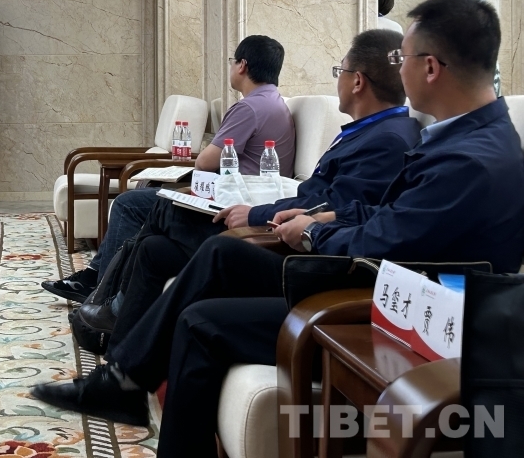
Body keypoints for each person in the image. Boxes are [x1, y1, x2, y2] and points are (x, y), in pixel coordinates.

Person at [31, 0, 524, 457]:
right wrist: (328, 216)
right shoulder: (466, 139)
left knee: (202, 315)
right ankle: (122, 378)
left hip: (395, 310)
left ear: (431, 68)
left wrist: (313, 231)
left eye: (405, 58)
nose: (400, 69)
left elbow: (388, 242)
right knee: (208, 259)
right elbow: (394, 217)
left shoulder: (468, 159)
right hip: (381, 283)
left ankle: (122, 378)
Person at [76, 29, 421, 344]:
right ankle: (116, 341)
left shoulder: (387, 141)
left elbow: (332, 210)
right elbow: (322, 200)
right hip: (276, 215)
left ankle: (107, 302)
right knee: (154, 248)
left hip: (286, 242)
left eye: (339, 71)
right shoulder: (369, 131)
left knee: (163, 207)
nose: (338, 81)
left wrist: (255, 213)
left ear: (357, 81)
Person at [41, 35, 295, 302]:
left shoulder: (249, 108)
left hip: (230, 203)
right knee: (145, 199)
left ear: (242, 65)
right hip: (248, 197)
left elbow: (206, 161)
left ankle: (102, 290)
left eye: (233, 61)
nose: (231, 67)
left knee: (128, 204)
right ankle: (96, 276)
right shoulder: (274, 102)